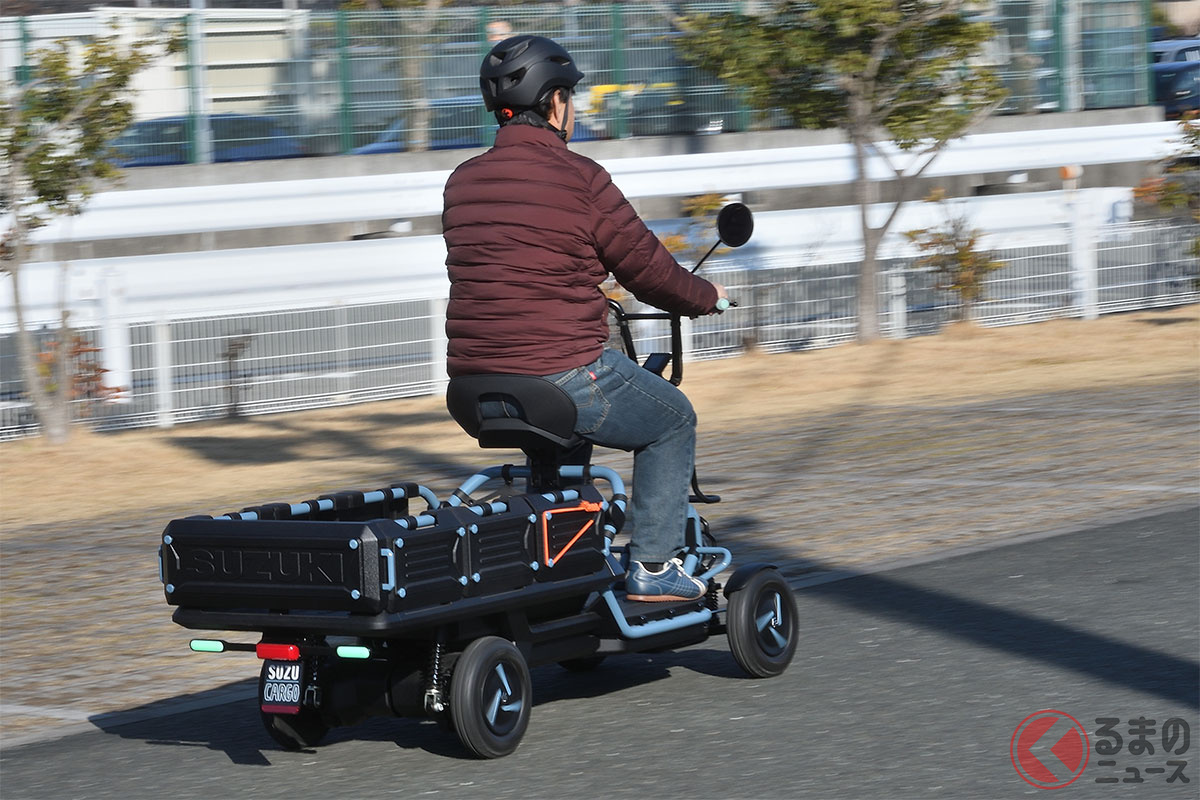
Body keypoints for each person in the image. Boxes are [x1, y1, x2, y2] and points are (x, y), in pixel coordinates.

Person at [442, 35, 728, 602]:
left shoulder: (462, 181)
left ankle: (559, 560)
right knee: (672, 420)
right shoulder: (580, 178)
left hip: (472, 384)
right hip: (560, 370)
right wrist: (706, 297)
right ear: (555, 102)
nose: (572, 108)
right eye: (569, 97)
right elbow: (648, 270)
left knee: (566, 434)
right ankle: (654, 566)